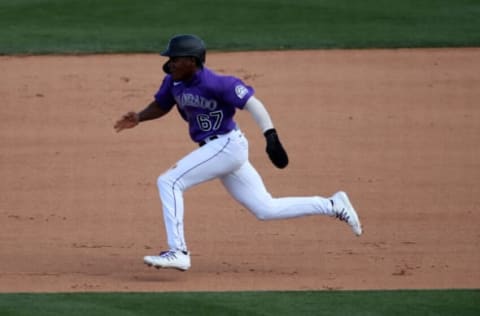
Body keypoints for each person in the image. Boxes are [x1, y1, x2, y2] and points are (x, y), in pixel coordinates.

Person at [114, 34, 362, 271]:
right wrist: (139, 117)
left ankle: (178, 252)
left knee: (168, 181)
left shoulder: (219, 83)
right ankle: (332, 204)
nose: (170, 63)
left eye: (175, 58)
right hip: (218, 150)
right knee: (266, 209)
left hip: (227, 145)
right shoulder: (174, 81)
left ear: (192, 60)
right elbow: (161, 105)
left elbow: (254, 104)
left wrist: (270, 135)